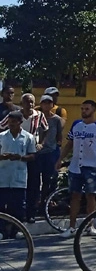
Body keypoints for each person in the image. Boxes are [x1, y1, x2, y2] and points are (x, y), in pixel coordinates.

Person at [56, 100, 96, 238]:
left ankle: (90, 225)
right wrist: (60, 158)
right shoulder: (76, 125)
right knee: (75, 195)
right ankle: (72, 227)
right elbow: (69, 143)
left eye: (86, 109)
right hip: (75, 166)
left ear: (93, 109)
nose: (83, 111)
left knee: (91, 196)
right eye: (82, 109)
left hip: (92, 166)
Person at [0, 111, 37, 233]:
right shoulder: (2, 136)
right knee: (1, 205)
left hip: (19, 177)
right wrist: (3, 156)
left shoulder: (28, 137)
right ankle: (1, 231)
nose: (11, 124)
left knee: (18, 206)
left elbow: (32, 156)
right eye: (10, 122)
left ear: (20, 122)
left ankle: (17, 230)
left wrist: (20, 157)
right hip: (3, 176)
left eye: (14, 122)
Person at [16, 94, 48, 222]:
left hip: (33, 152)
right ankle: (19, 213)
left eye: (32, 102)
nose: (29, 104)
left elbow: (46, 129)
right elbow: (2, 127)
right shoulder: (15, 115)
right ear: (21, 103)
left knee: (33, 183)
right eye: (27, 101)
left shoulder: (39, 115)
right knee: (19, 182)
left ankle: (31, 213)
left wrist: (41, 143)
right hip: (18, 152)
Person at [33, 95, 64, 217]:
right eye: (44, 102)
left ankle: (45, 204)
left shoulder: (56, 119)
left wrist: (58, 147)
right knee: (35, 181)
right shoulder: (36, 117)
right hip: (37, 153)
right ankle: (35, 203)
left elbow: (59, 135)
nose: (47, 105)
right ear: (41, 104)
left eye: (49, 103)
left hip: (51, 152)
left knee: (49, 180)